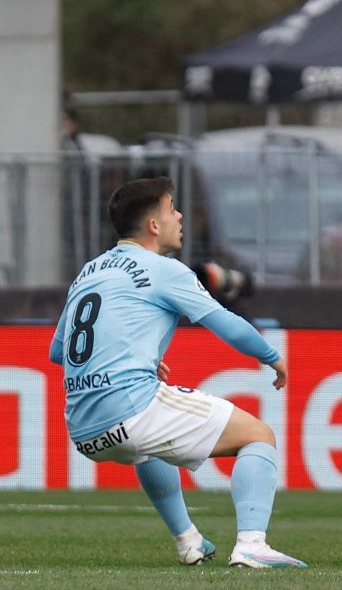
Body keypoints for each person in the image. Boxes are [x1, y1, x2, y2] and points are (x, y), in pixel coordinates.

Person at [49, 177, 306, 569]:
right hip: (129, 407)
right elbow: (224, 322)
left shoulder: (89, 271)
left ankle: (189, 541)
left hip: (83, 428)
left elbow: (57, 351)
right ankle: (253, 544)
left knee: (151, 447)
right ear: (154, 225)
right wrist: (272, 355)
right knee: (259, 436)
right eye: (172, 208)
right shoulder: (163, 269)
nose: (179, 216)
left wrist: (135, 358)